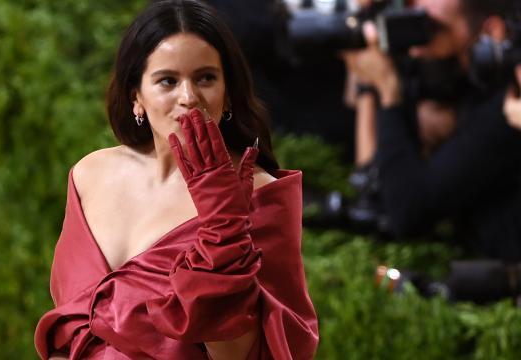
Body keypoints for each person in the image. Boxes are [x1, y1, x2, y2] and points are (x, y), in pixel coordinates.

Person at [34, 1, 319, 359]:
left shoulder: (259, 195)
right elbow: (69, 330)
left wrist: (224, 229)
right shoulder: (90, 174)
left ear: (227, 92)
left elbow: (241, 355)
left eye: (205, 78)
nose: (189, 98)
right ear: (135, 95)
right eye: (168, 80)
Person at [343, 0, 521, 260]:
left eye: (430, 28)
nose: (416, 49)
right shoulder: (459, 78)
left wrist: (388, 91)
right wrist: (369, 87)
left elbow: (407, 211)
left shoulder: (511, 100)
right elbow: (371, 183)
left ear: (492, 31)